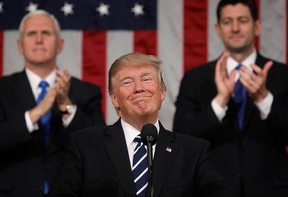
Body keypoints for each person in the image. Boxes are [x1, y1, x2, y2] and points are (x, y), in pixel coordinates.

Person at [48, 52, 232, 197]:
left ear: (162, 93)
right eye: (127, 82)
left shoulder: (194, 151)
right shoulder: (84, 145)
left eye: (146, 79)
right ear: (114, 99)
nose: (139, 87)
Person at [173, 0, 288, 197]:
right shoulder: (195, 78)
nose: (235, 28)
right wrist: (220, 101)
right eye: (227, 21)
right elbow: (181, 138)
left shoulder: (283, 75)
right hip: (212, 189)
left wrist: (264, 99)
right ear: (218, 29)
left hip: (272, 191)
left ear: (257, 26)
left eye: (242, 20)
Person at [0, 10, 106, 197]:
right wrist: (36, 113)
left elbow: (99, 147)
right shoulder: (2, 89)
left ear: (60, 44)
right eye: (32, 33)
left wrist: (66, 106)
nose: (39, 40)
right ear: (19, 45)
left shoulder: (86, 92)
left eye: (46, 33)